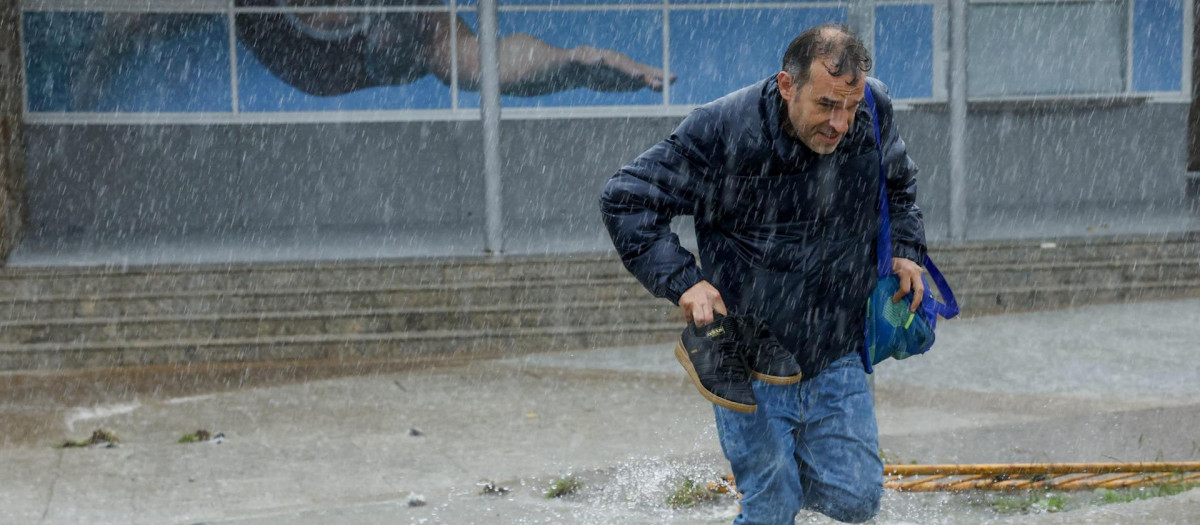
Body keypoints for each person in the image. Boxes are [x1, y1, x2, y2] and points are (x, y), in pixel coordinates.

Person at [599, 24, 928, 524]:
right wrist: (685, 282)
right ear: (787, 84)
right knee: (771, 505)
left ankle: (786, 470)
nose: (840, 124)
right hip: (752, 356)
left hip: (835, 348)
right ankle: (770, 488)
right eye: (826, 106)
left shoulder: (874, 111)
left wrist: (905, 248)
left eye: (850, 107)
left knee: (858, 498)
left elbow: (899, 186)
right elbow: (626, 199)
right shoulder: (722, 129)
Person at [71, 1, 671, 109]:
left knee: (441, 52)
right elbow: (129, 20)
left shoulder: (409, 20)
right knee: (131, 23)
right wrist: (95, 71)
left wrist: (574, 63)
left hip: (360, 61)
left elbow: (485, 63)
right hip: (291, 49)